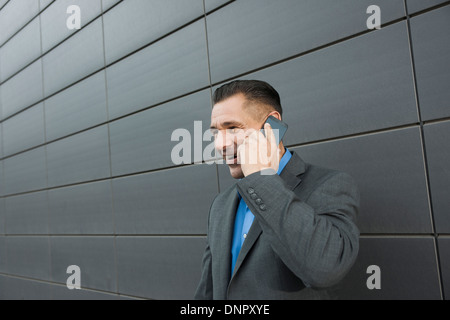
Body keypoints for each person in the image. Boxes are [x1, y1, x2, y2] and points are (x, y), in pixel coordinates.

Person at [195, 80, 360, 300]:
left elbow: (325, 269)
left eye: (232, 128)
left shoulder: (330, 185)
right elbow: (207, 293)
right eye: (216, 133)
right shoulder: (220, 205)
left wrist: (261, 178)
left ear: (271, 127)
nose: (220, 144)